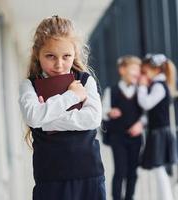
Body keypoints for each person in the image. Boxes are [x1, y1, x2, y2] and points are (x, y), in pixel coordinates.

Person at [18, 16, 105, 200]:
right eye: (50, 56)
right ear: (37, 54)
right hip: (50, 178)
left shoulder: (85, 80)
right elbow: (34, 117)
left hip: (89, 174)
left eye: (66, 56)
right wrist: (72, 96)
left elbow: (93, 119)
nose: (59, 64)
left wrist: (47, 120)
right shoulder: (29, 86)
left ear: (75, 54)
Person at [102, 55, 144, 200]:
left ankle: (129, 197)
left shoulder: (141, 91)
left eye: (139, 70)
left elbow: (147, 113)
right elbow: (103, 112)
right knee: (120, 170)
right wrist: (109, 112)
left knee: (133, 171)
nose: (137, 73)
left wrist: (141, 124)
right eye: (134, 69)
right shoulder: (111, 91)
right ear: (122, 70)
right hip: (117, 137)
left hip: (135, 138)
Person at [138, 53, 178, 200]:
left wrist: (142, 86)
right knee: (159, 169)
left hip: (159, 133)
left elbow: (146, 103)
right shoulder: (160, 85)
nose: (144, 74)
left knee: (159, 168)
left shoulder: (159, 87)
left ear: (155, 70)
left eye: (145, 71)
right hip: (158, 131)